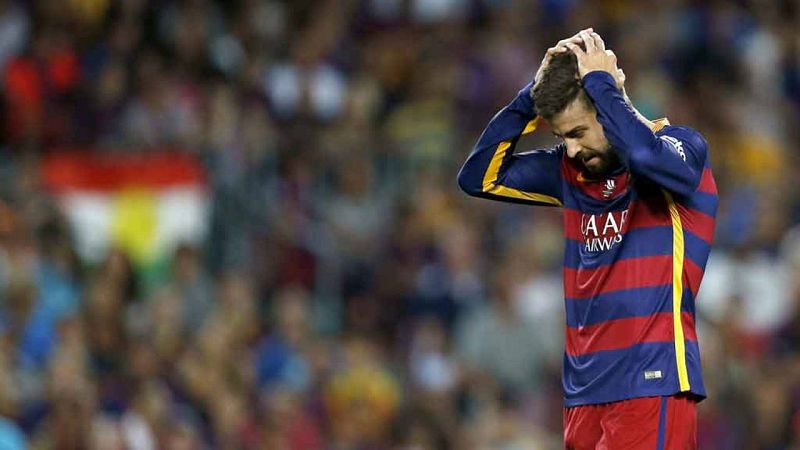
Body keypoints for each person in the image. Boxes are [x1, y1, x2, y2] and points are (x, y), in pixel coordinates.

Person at [457, 28, 718, 449]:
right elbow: (477, 177)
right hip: (584, 391)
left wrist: (602, 84)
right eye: (561, 137)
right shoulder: (570, 174)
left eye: (578, 132)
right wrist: (529, 97)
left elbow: (645, 156)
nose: (572, 150)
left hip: (652, 381)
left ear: (608, 108)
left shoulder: (682, 149)